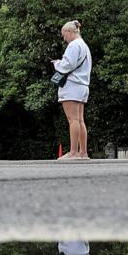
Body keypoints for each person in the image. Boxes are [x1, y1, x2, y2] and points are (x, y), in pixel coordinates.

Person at [51, 21, 92, 160]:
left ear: (69, 32)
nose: (64, 38)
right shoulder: (84, 45)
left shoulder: (74, 45)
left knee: (73, 120)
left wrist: (57, 63)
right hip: (83, 85)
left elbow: (67, 65)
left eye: (64, 35)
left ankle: (73, 152)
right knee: (80, 120)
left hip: (73, 85)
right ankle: (83, 152)